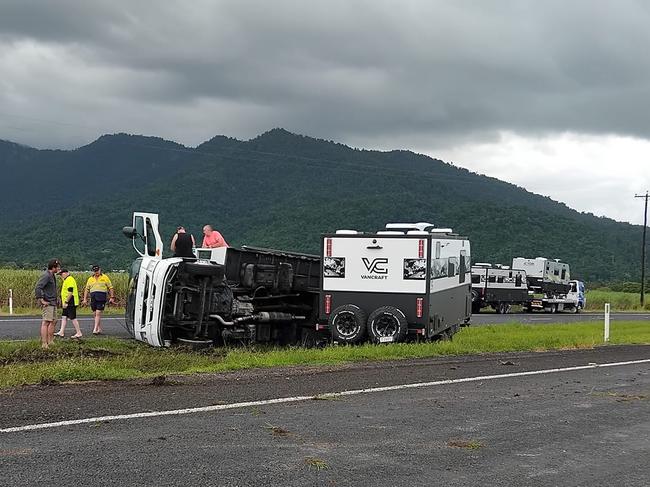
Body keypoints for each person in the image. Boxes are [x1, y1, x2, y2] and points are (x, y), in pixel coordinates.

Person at [82, 265, 116, 335]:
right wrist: (85, 299)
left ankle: (95, 329)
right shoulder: (90, 279)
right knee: (95, 314)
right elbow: (86, 289)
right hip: (93, 297)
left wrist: (112, 297)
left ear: (100, 270)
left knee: (98, 313)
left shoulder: (105, 277)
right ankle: (99, 328)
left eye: (97, 270)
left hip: (101, 297)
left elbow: (110, 287)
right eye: (95, 271)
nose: (96, 272)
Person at [34, 259, 61, 349]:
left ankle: (50, 340)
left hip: (53, 302)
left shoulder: (52, 275)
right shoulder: (46, 276)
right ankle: (44, 343)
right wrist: (41, 300)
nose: (59, 269)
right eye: (58, 267)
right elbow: (38, 287)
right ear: (53, 267)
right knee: (46, 322)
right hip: (48, 302)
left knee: (54, 321)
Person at [54, 269, 82, 339]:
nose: (61, 276)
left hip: (71, 301)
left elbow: (70, 292)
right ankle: (61, 331)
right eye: (60, 275)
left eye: (62, 274)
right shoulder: (66, 280)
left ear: (67, 273)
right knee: (64, 316)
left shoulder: (70, 279)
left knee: (72, 317)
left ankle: (79, 332)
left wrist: (66, 302)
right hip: (67, 301)